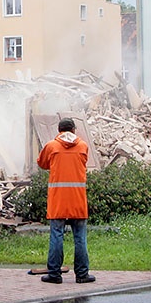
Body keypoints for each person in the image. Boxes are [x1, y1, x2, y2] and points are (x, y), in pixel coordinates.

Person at [36, 117, 96, 284]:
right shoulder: (83, 146)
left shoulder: (51, 146)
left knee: (56, 236)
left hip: (58, 200)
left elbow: (42, 163)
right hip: (78, 199)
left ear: (59, 130)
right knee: (80, 239)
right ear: (74, 130)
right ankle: (82, 275)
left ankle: (54, 275)